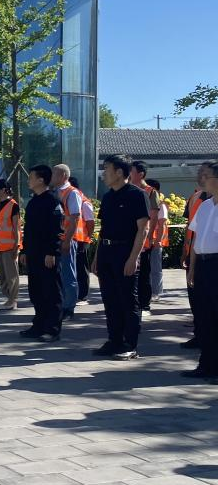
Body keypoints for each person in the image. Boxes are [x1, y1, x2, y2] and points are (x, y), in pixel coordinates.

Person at [93, 154, 150, 361]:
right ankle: (114, 340)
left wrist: (133, 258)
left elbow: (143, 229)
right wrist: (97, 257)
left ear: (119, 172)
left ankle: (129, 344)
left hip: (125, 252)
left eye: (106, 169)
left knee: (128, 300)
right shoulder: (108, 196)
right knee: (110, 299)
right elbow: (103, 230)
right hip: (107, 252)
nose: (103, 174)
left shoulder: (137, 195)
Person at [21, 165, 64, 343]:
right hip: (33, 254)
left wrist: (52, 252)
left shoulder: (52, 200)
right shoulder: (33, 202)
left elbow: (57, 230)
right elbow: (28, 230)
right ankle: (38, 325)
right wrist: (24, 250)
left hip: (47, 255)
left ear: (41, 180)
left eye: (31, 177)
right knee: (36, 292)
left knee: (51, 292)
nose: (28, 180)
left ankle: (52, 329)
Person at [184, 161, 218, 382]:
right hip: (203, 266)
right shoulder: (205, 206)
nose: (203, 179)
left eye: (208, 176)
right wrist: (192, 269)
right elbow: (197, 239)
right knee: (204, 317)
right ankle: (206, 364)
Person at [50, 164, 82, 320]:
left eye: (54, 173)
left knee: (68, 275)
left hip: (66, 240)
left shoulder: (72, 193)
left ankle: (69, 308)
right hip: (57, 240)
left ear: (63, 175)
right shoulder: (55, 192)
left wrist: (68, 241)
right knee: (59, 275)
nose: (51, 176)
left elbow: (75, 218)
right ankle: (61, 305)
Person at [183, 168, 210, 350]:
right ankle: (199, 334)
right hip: (195, 254)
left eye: (206, 174)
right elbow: (191, 229)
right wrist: (185, 252)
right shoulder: (197, 198)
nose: (201, 177)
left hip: (211, 260)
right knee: (196, 299)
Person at [128, 160, 159, 316]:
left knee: (144, 272)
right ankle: (133, 303)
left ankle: (145, 305)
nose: (129, 174)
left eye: (131, 171)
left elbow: (153, 217)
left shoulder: (151, 192)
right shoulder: (128, 190)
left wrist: (149, 237)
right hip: (130, 238)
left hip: (144, 239)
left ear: (141, 174)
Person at [0, 177, 22, 311]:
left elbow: (16, 228)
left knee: (12, 275)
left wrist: (17, 246)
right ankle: (9, 298)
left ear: (3, 190)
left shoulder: (13, 205)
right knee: (3, 276)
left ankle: (13, 300)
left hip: (10, 247)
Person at [69, 176, 95, 305]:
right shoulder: (72, 200)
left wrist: (87, 238)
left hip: (82, 240)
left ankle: (83, 296)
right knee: (73, 267)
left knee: (81, 268)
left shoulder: (84, 203)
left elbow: (90, 223)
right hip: (73, 239)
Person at [147, 179, 168, 302]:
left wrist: (158, 240)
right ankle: (149, 291)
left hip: (155, 241)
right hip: (147, 241)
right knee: (147, 268)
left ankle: (156, 292)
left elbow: (162, 224)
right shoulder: (148, 203)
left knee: (155, 268)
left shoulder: (161, 205)